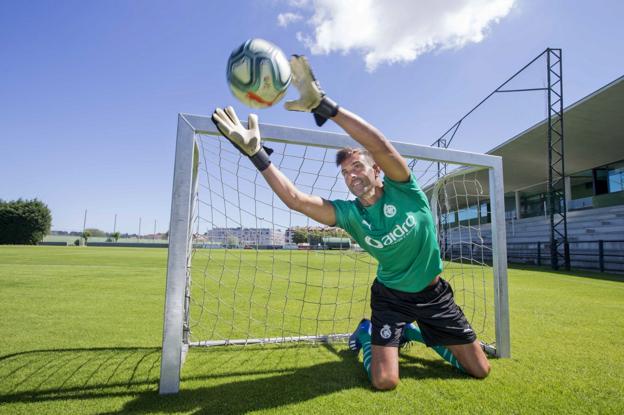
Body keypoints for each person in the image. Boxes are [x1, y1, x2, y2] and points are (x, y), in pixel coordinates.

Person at [211, 55, 490, 390]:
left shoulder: (406, 190)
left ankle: (415, 331)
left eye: (357, 167)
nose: (352, 175)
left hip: (433, 295)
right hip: (390, 297)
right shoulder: (349, 213)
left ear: (377, 170)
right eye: (345, 172)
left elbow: (379, 144)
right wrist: (258, 156)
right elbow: (296, 200)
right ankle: (368, 333)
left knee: (479, 370)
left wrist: (327, 107)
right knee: (385, 381)